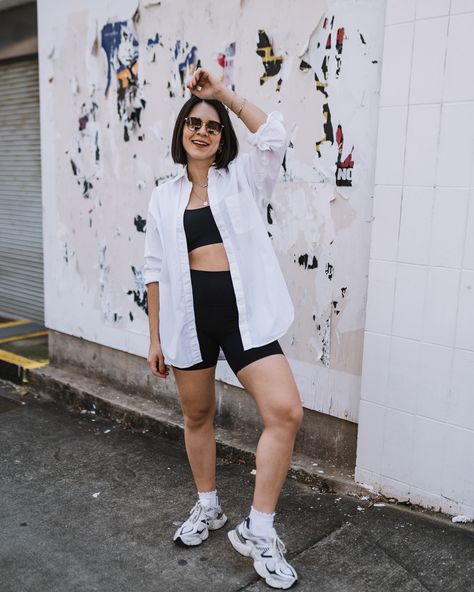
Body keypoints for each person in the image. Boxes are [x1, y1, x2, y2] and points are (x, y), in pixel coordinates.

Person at [143, 66, 304, 590]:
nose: (202, 131)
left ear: (221, 137)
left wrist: (222, 95)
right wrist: (154, 337)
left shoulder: (243, 178)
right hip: (190, 320)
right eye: (194, 121)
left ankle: (259, 529)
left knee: (285, 412)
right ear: (181, 131)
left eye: (211, 125)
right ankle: (208, 506)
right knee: (197, 415)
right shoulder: (164, 197)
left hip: (244, 315)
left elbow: (274, 133)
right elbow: (153, 270)